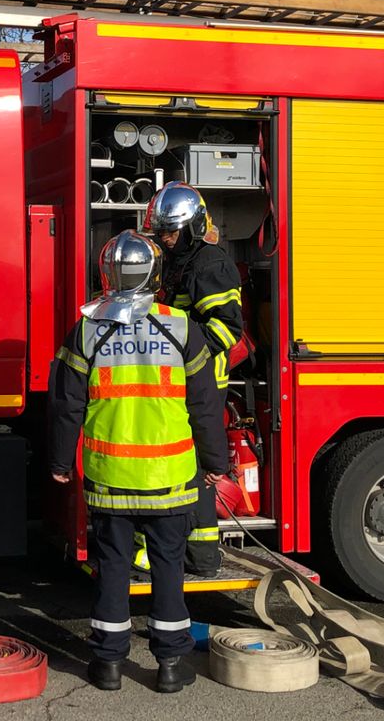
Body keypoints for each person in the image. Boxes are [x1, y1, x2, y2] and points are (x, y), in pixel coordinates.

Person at [48, 229, 228, 694]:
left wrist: (60, 462)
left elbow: (66, 405)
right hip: (170, 478)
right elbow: (205, 406)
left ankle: (108, 665)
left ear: (106, 274)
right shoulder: (182, 328)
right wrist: (214, 461)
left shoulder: (87, 329)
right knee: (168, 567)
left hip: (110, 479)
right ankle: (170, 666)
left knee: (112, 567)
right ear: (154, 273)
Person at [140, 181, 244, 577]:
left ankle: (202, 557)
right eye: (161, 232)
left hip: (202, 382)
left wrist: (185, 357)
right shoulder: (173, 260)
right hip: (173, 381)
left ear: (192, 226)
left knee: (199, 471)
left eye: (171, 231)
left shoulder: (209, 264)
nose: (165, 239)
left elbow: (226, 327)